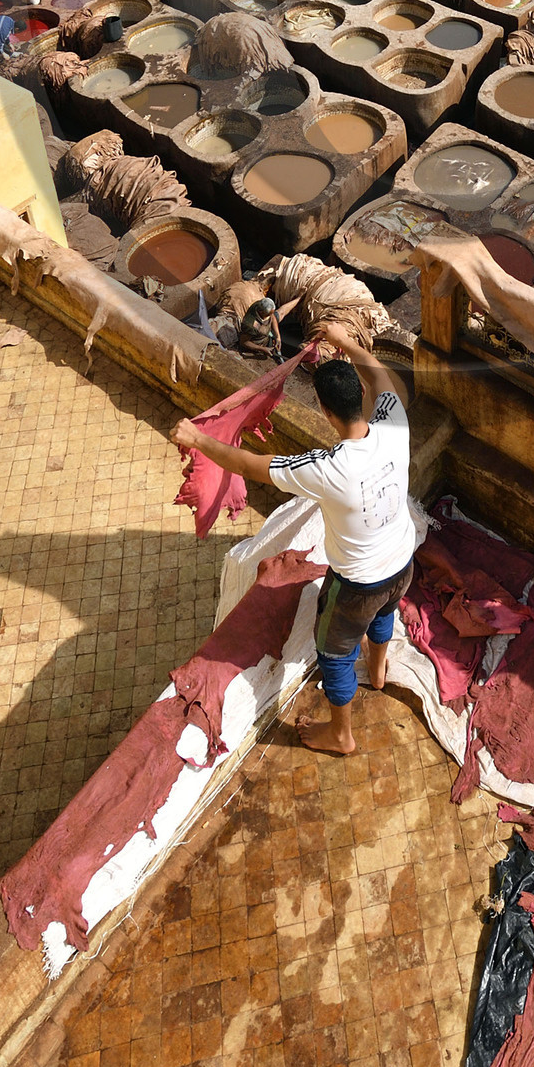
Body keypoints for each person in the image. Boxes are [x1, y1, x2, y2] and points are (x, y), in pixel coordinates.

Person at [172, 323, 421, 755]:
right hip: (402, 563)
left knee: (335, 654)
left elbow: (249, 464)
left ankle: (341, 735)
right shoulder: (393, 422)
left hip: (358, 585)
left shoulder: (326, 468)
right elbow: (379, 373)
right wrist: (344, 341)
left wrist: (199, 438)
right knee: (384, 613)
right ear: (361, 397)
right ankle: (379, 671)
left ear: (325, 412)